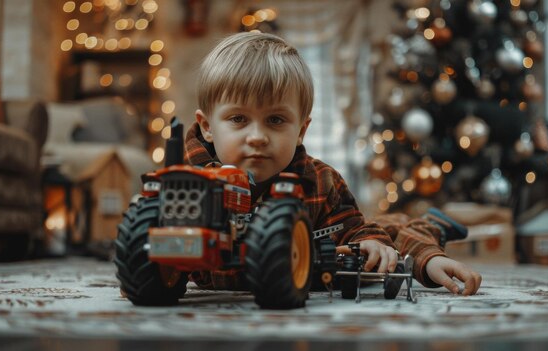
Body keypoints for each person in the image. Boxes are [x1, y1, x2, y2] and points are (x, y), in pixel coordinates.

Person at [183, 32, 482, 296]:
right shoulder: (184, 185)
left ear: (301, 130)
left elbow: (357, 234)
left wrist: (409, 253)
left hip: (312, 265)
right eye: (238, 119)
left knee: (389, 234)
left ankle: (433, 229)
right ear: (207, 126)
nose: (258, 137)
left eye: (275, 120)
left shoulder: (321, 182)